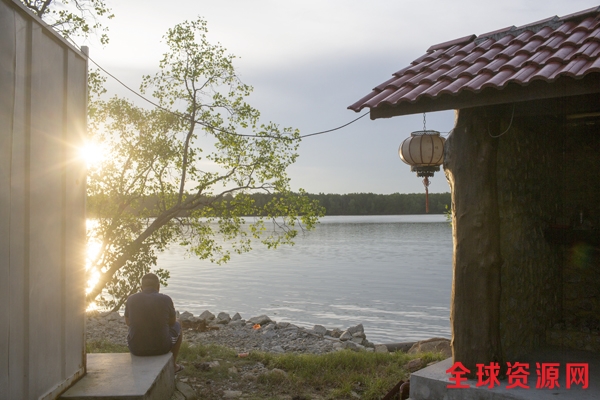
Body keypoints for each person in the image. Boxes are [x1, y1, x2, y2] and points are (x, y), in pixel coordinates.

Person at [124, 273, 184, 373]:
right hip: (162, 348)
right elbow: (172, 322)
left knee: (132, 328)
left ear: (141, 287)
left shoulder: (131, 299)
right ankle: (173, 365)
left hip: (136, 348)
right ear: (158, 287)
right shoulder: (166, 299)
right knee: (179, 322)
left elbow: (128, 322)